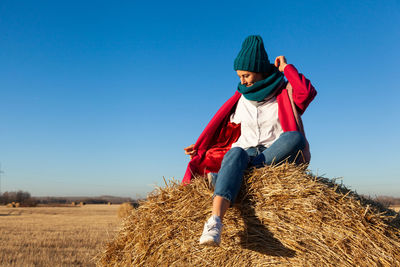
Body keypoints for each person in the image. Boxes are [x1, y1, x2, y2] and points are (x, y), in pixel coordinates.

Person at [183, 35, 317, 246]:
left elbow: (306, 92)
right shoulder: (240, 99)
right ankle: (215, 221)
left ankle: (234, 175)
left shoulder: (282, 92)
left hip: (273, 153)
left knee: (295, 138)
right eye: (239, 76)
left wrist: (286, 68)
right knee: (235, 153)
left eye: (246, 75)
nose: (242, 81)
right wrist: (201, 147)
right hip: (245, 152)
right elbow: (220, 130)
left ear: (260, 70)